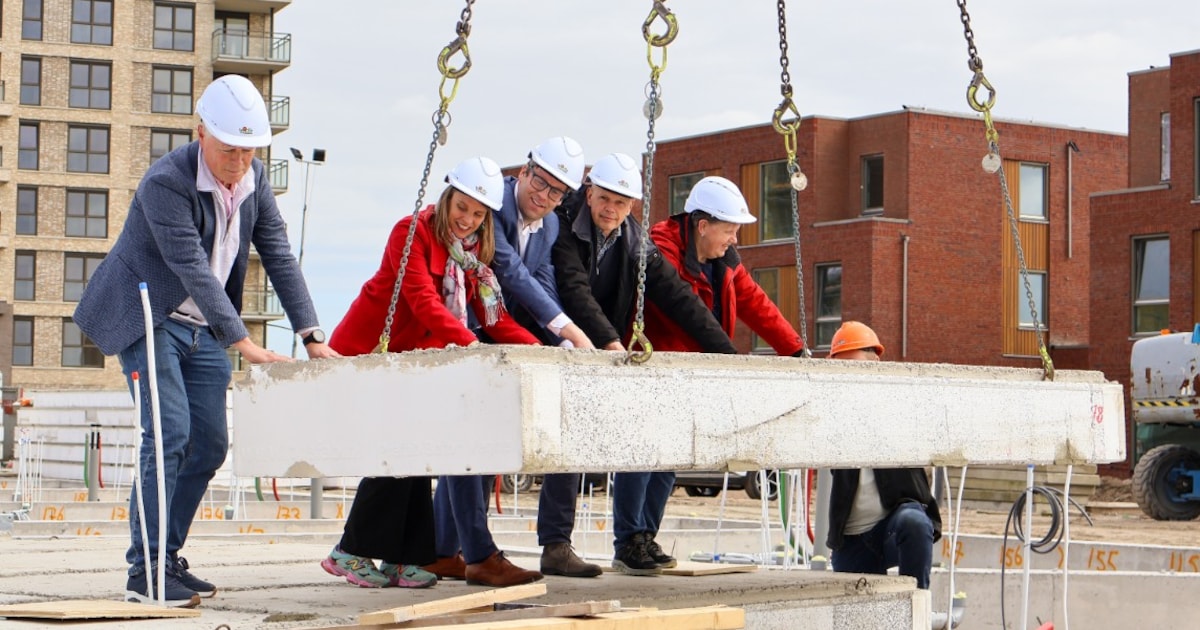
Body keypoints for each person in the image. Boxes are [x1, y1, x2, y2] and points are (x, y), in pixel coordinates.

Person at [73, 75, 339, 608]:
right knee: (168, 433)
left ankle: (168, 557)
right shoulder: (164, 183)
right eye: (227, 149)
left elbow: (280, 256)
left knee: (210, 444)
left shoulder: (255, 180)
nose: (238, 161)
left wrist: (312, 334)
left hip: (205, 331)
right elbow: (191, 268)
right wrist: (243, 341)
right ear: (200, 133)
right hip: (151, 317)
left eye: (248, 151)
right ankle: (144, 573)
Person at [326, 156, 543, 589]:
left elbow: (494, 317)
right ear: (447, 199)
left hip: (419, 364)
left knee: (418, 456)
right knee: (394, 454)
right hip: (372, 354)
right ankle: (347, 552)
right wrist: (473, 347)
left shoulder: (471, 258)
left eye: (479, 214)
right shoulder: (411, 232)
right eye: (463, 207)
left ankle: (403, 559)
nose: (468, 219)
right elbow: (421, 299)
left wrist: (539, 350)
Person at [551, 152, 738, 576]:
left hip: (604, 348)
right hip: (566, 343)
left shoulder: (634, 239)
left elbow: (678, 298)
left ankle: (638, 539)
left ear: (633, 206)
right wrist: (610, 342)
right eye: (603, 199)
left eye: (621, 203)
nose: (610, 210)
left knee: (657, 450)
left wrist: (727, 355)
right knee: (567, 454)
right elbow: (574, 289)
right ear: (589, 191)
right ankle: (569, 543)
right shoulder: (564, 225)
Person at [485, 136, 601, 579]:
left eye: (556, 192)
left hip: (522, 337)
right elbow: (509, 271)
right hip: (480, 332)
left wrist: (567, 341)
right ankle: (457, 545)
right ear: (525, 169)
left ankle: (557, 543)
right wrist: (566, 328)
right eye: (539, 181)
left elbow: (544, 280)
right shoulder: (493, 203)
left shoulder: (550, 225)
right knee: (482, 446)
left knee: (563, 428)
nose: (544, 195)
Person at [825, 321, 942, 589]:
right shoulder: (835, 412)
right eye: (843, 370)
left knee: (914, 523)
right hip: (853, 537)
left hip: (893, 525)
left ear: (876, 362)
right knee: (851, 616)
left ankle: (916, 606)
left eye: (857, 367)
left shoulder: (898, 406)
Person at [646, 175, 805, 355]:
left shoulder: (726, 263)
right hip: (660, 367)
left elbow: (758, 305)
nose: (734, 239)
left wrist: (795, 350)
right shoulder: (662, 256)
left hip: (704, 363)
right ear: (703, 226)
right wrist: (725, 356)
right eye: (729, 231)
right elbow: (683, 309)